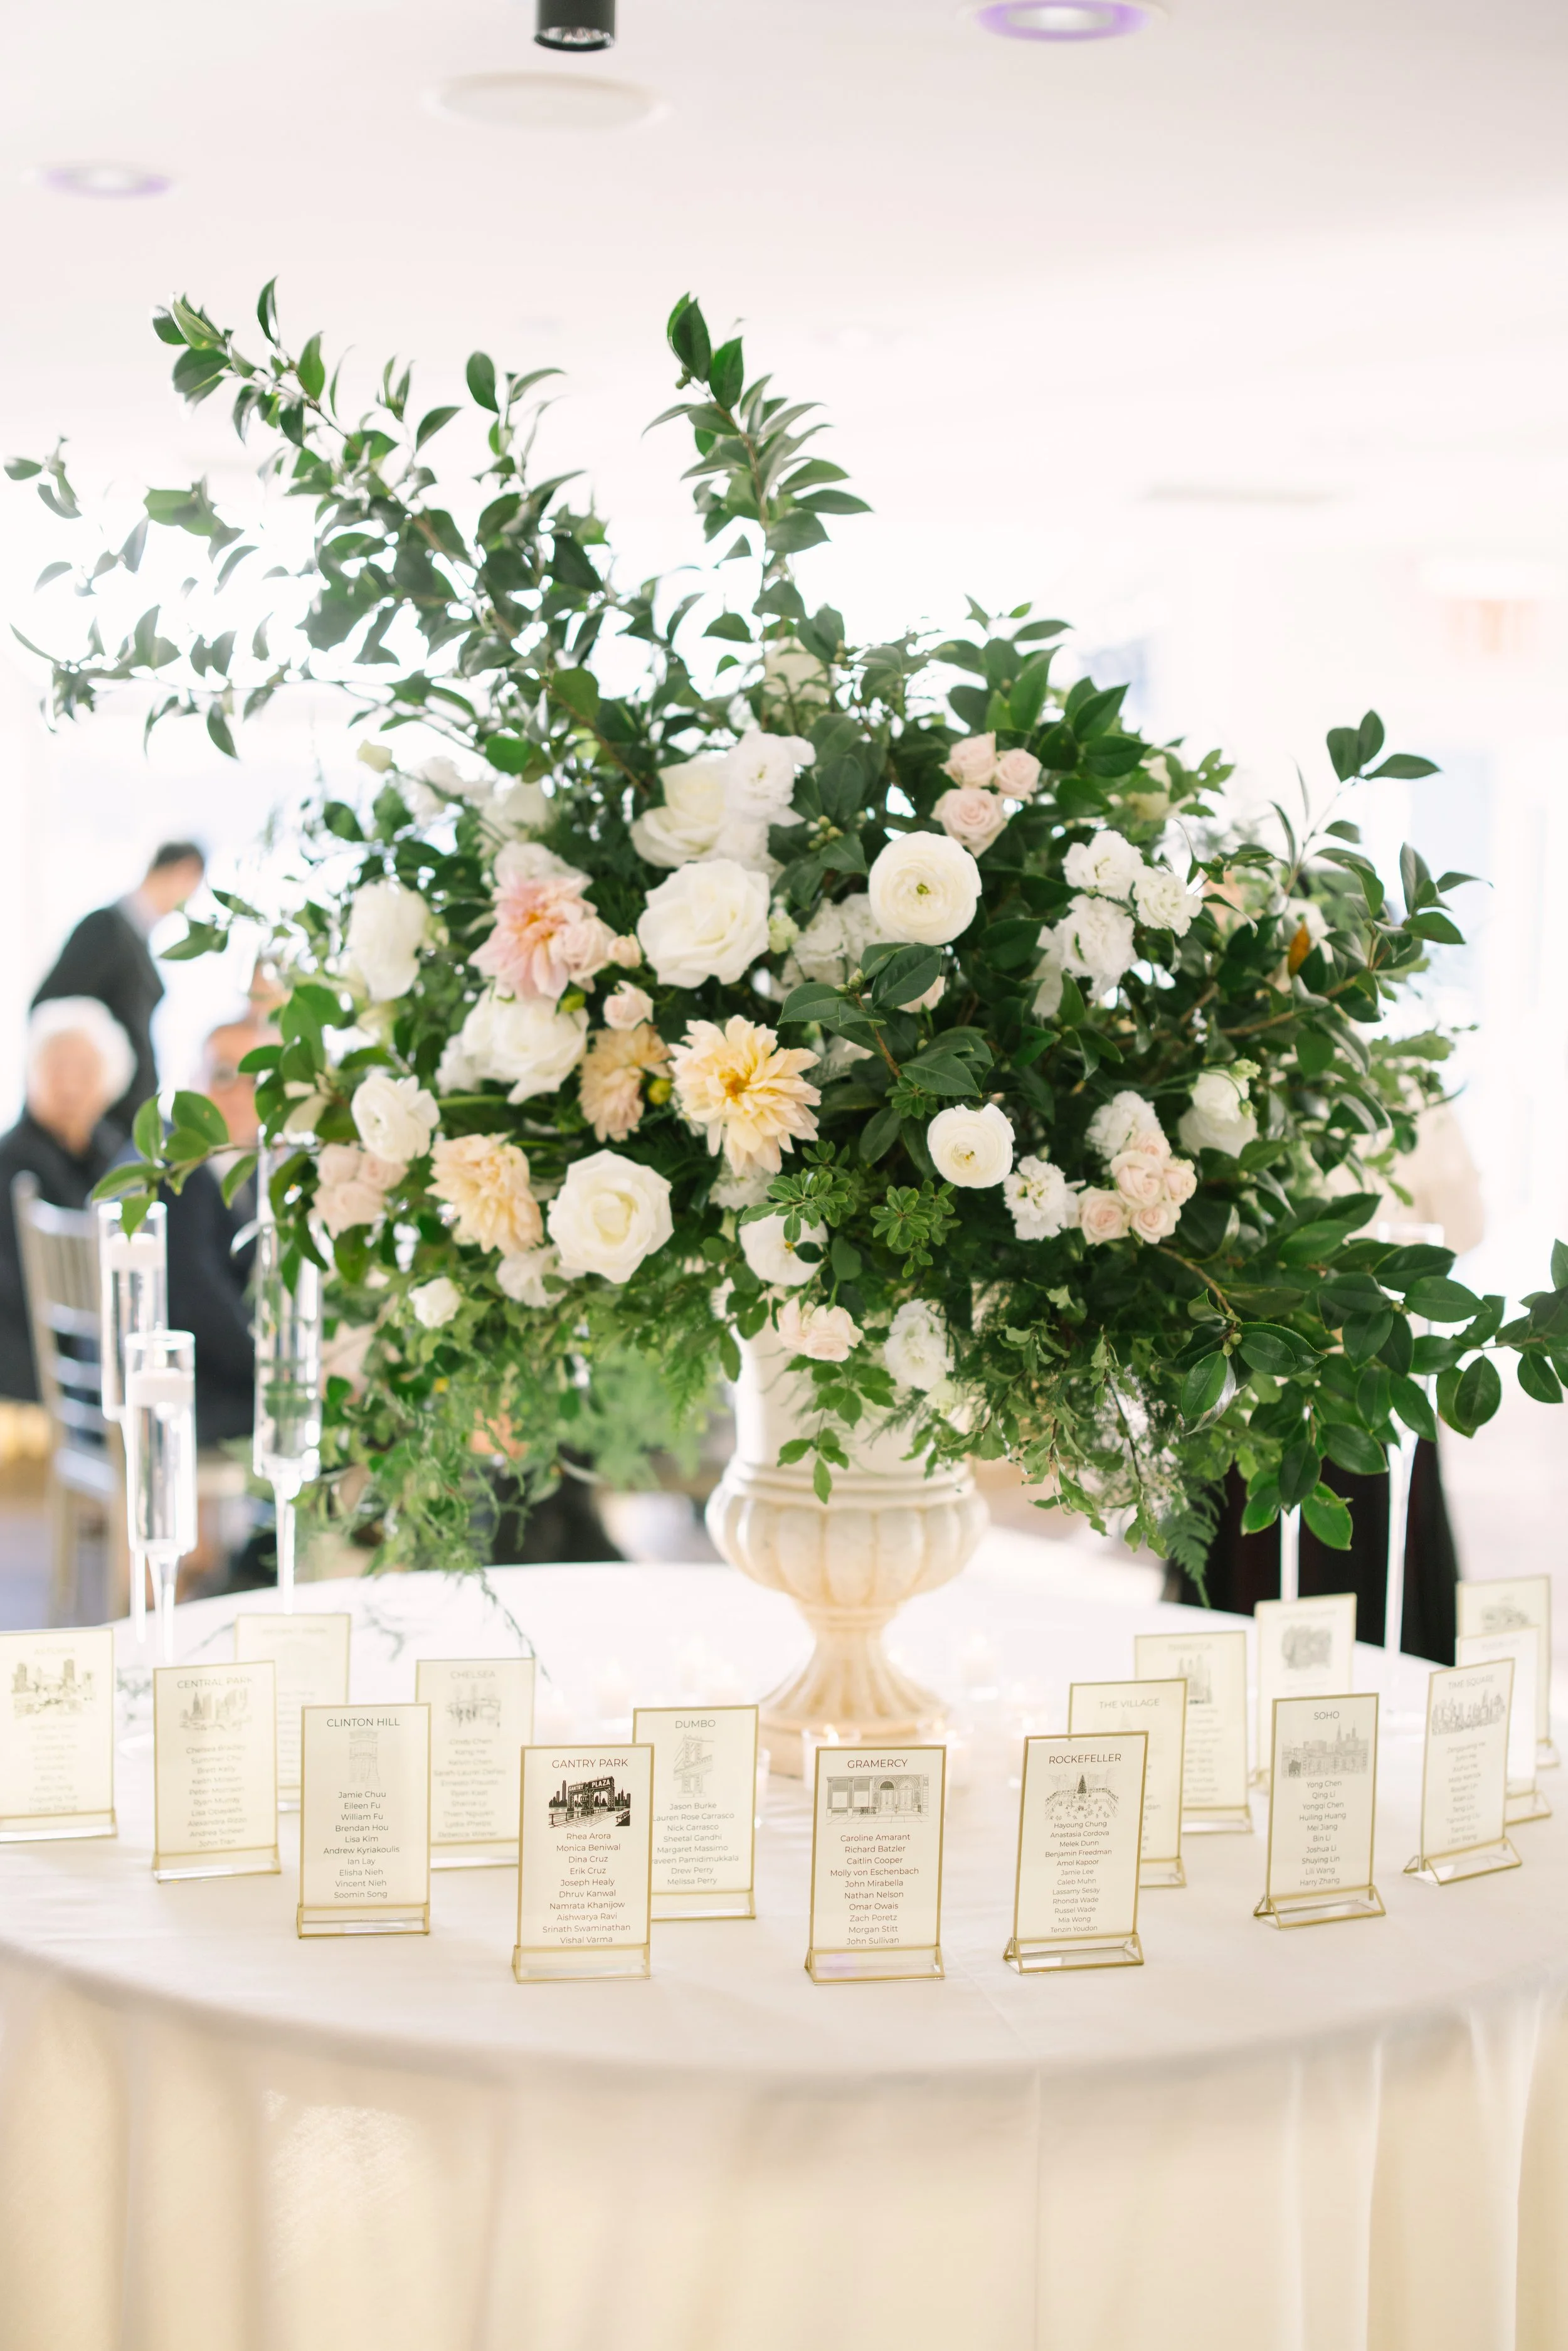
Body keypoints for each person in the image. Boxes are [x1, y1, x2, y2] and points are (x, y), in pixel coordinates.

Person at [0, 999, 135, 1401]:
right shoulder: (13, 1162)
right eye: (56, 1068)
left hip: (99, 1351)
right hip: (33, 1362)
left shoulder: (114, 1150)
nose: (70, 1085)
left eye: (85, 1069)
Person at [32, 841, 206, 1131]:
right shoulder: (107, 928)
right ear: (184, 872)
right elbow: (52, 1011)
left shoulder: (135, 935)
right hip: (103, 1123)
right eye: (193, 889)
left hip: (123, 1122)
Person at [153, 1020, 262, 1448]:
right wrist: (274, 1367)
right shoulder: (175, 1172)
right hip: (185, 1388)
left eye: (257, 1082)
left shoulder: (247, 1167)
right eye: (223, 1074)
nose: (239, 1094)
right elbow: (199, 1299)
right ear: (191, 1081)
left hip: (216, 1372)